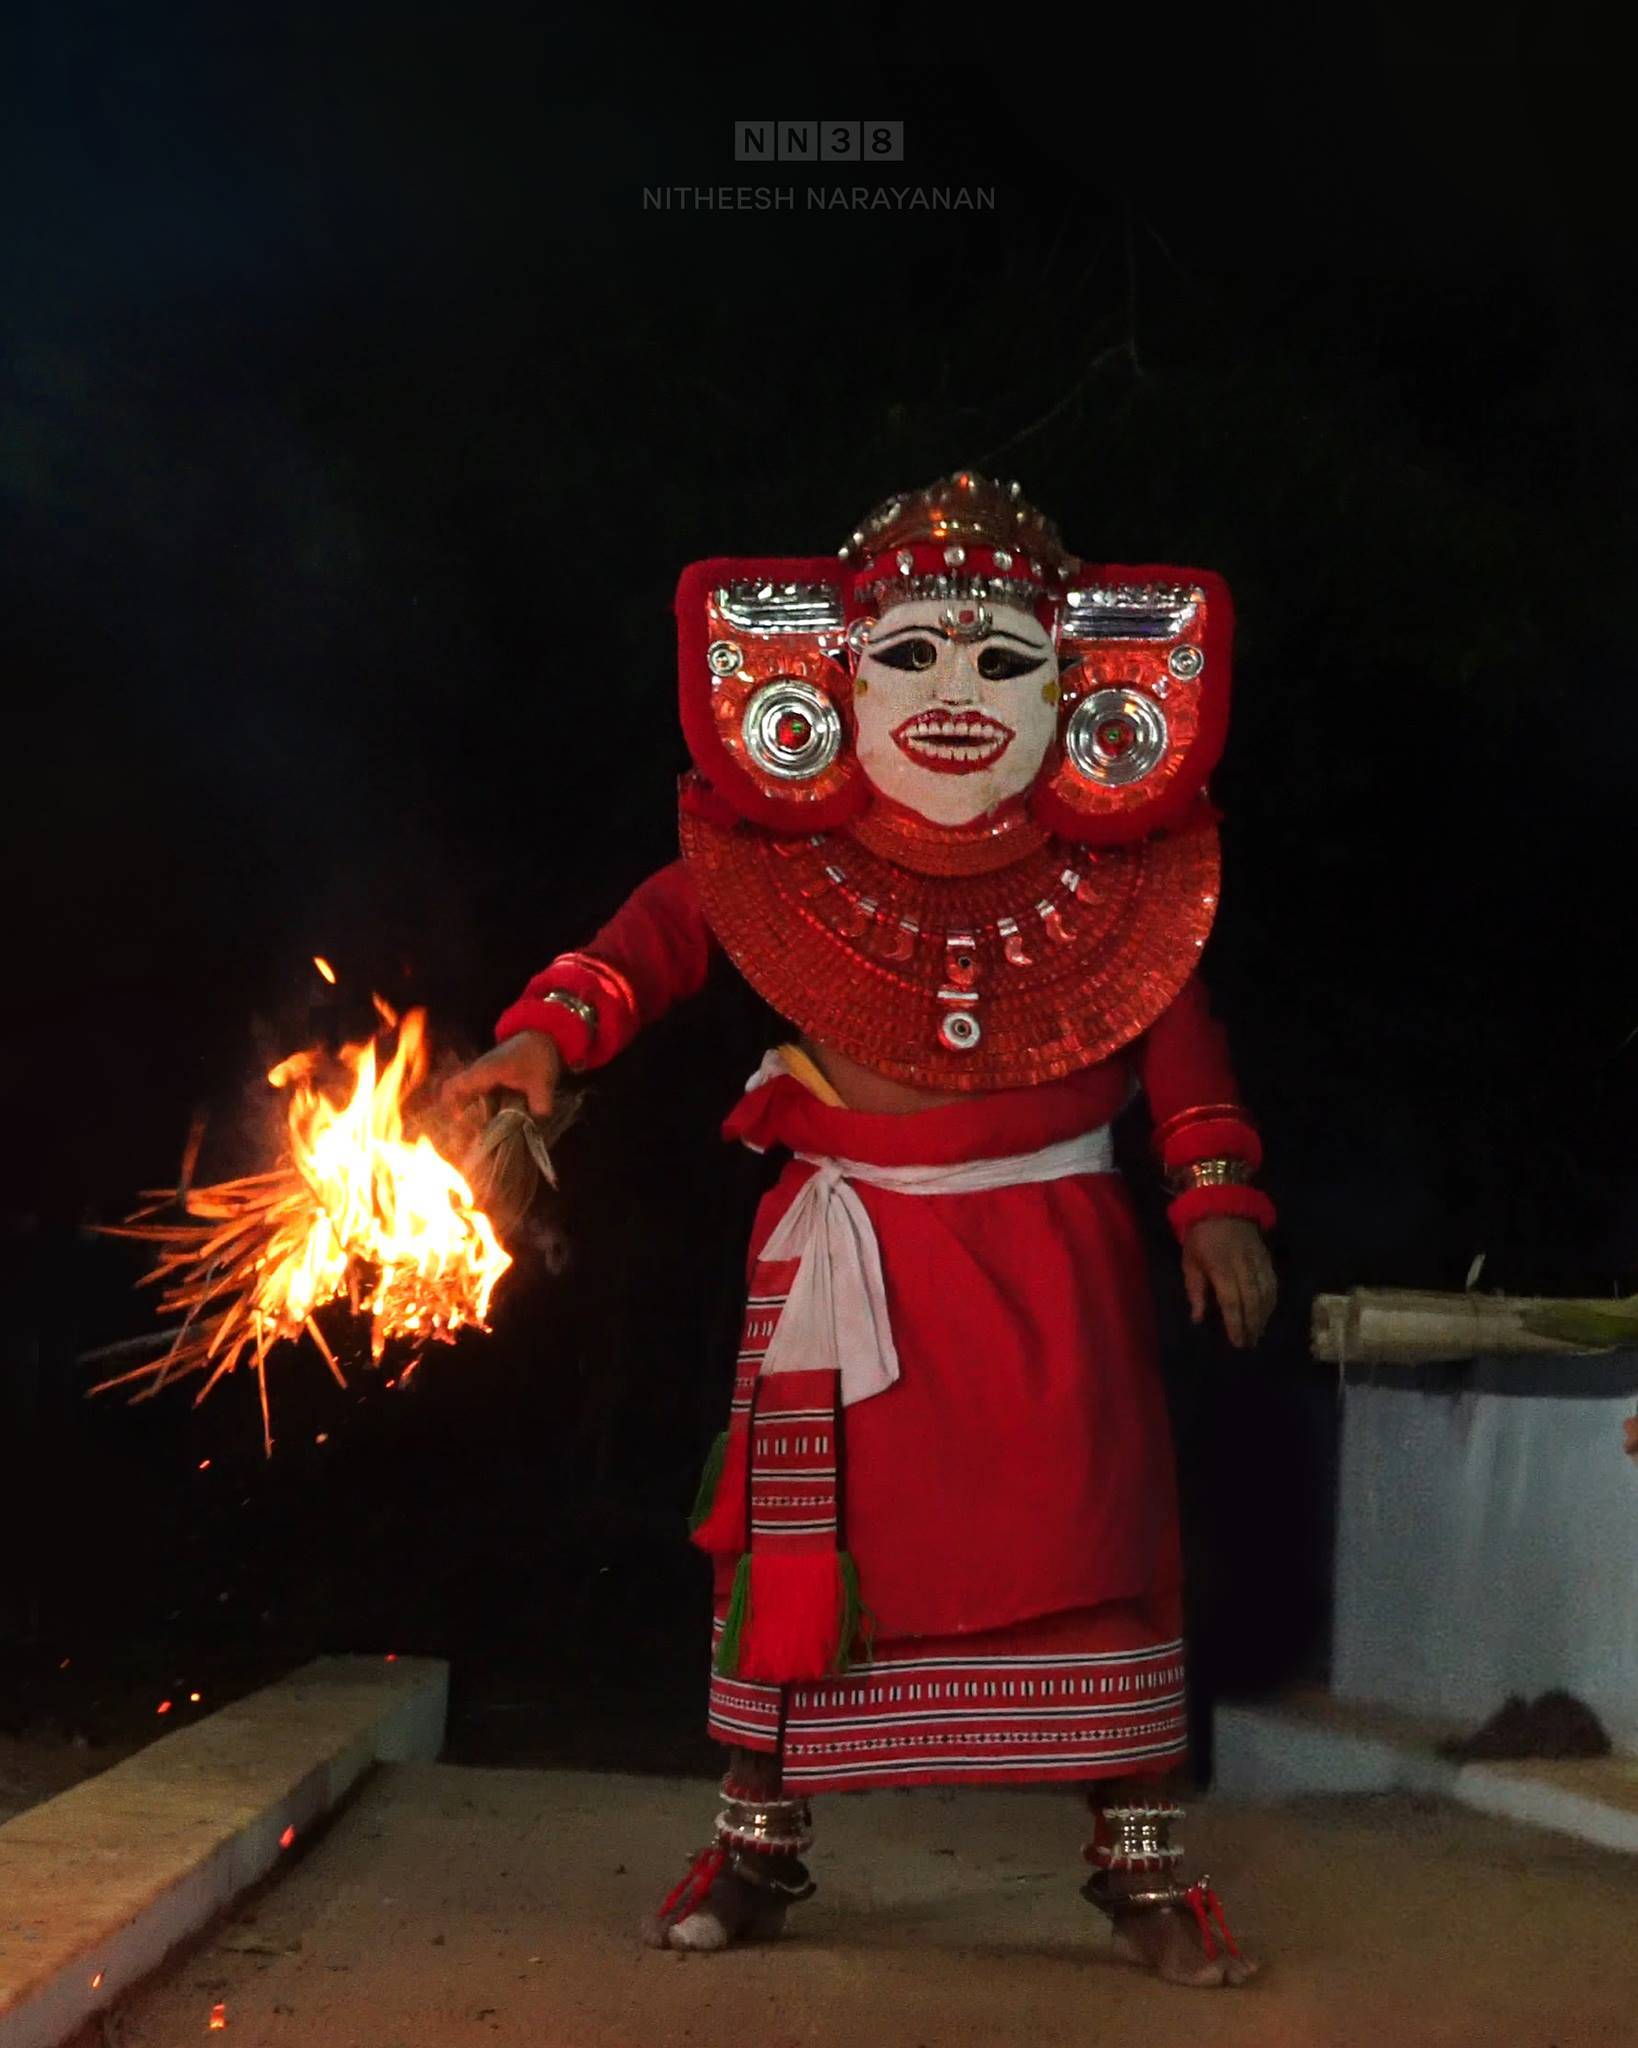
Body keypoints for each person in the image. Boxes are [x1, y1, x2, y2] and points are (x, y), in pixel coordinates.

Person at [446, 472, 1277, 1988]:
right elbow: (660, 935)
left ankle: (1143, 1869)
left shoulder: (1118, 880)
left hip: (1055, 1267)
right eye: (907, 655)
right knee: (802, 1562)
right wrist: (544, 1036)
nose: (953, 695)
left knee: (1094, 1543)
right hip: (851, 1258)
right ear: (834, 680)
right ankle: (757, 1847)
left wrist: (1215, 1203)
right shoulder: (784, 854)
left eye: (999, 659)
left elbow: (1182, 1043)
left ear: (1071, 684)